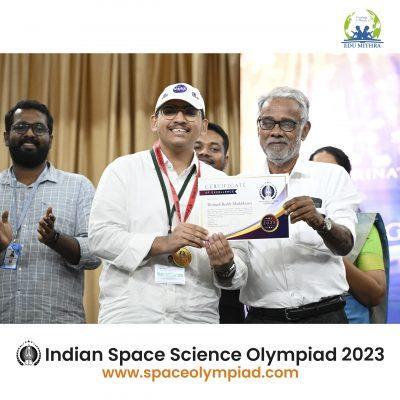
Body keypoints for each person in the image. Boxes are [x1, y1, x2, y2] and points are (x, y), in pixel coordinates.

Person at [89, 83, 247, 324]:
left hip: (196, 316)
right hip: (132, 314)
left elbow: (240, 264)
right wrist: (163, 243)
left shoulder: (222, 183)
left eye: (190, 112)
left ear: (204, 126)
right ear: (154, 122)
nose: (180, 118)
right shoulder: (123, 170)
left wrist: (226, 266)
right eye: (170, 110)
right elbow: (100, 237)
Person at [211, 86, 361, 323]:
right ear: (258, 128)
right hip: (263, 321)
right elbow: (235, 274)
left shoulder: (332, 176)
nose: (276, 132)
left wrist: (320, 222)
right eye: (267, 123)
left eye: (287, 124)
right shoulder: (240, 186)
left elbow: (345, 246)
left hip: (325, 317)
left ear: (305, 130)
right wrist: (225, 266)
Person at [0, 100, 101, 323]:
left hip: (58, 328)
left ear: (51, 139)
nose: (29, 133)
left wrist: (54, 239)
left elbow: (95, 254)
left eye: (39, 128)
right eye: (20, 127)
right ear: (6, 137)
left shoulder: (78, 187)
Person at [310, 146, 388, 323]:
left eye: (332, 174)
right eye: (317, 174)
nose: (324, 180)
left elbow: (375, 294)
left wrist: (331, 246)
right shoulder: (292, 223)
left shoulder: (363, 226)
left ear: (345, 180)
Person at [194, 122, 245, 324]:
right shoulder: (169, 194)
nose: (204, 153)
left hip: (229, 297)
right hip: (185, 294)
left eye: (214, 149)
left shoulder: (239, 197)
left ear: (226, 159)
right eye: (197, 147)